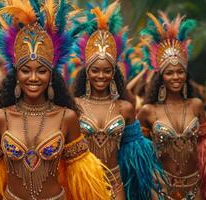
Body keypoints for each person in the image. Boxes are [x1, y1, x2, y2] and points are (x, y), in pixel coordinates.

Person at [0, 0, 111, 199]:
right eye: (25, 71)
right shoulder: (0, 117)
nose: (32, 78)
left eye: (41, 71)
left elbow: (81, 181)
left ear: (51, 76)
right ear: (16, 75)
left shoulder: (67, 117)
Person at [72, 1, 164, 199]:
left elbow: (136, 156)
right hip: (82, 186)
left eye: (107, 71)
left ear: (114, 73)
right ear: (87, 72)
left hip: (115, 184)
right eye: (95, 70)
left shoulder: (125, 108)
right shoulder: (75, 106)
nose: (101, 76)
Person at [138, 12, 206, 199]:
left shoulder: (196, 105)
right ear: (161, 77)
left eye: (180, 72)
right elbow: (140, 155)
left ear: (185, 74)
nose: (176, 77)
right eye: (170, 73)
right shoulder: (148, 112)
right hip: (162, 189)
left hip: (195, 186)